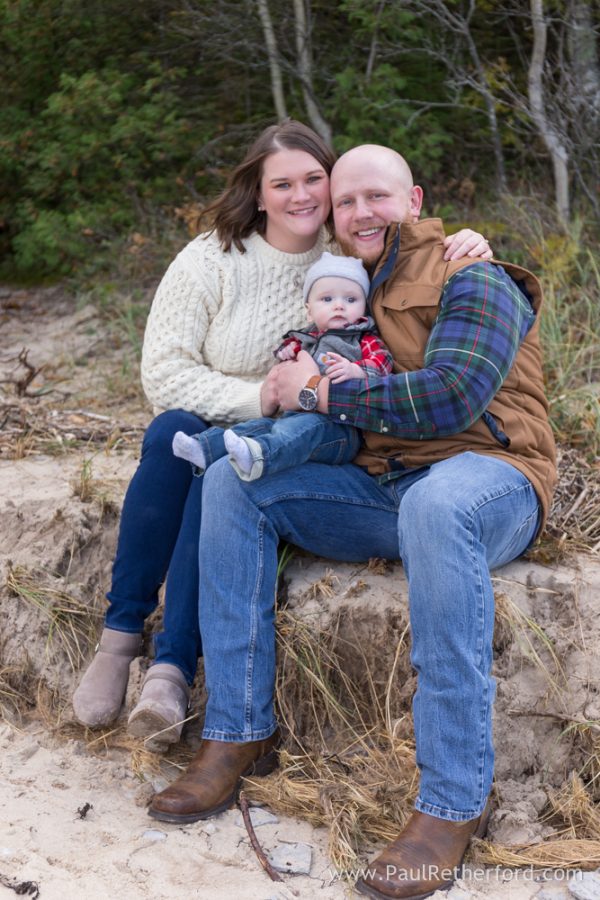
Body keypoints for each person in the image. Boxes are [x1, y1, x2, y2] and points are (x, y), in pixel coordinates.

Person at [148, 144, 556, 900]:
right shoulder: (348, 287)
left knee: (438, 503)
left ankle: (451, 802)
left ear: (414, 200)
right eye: (347, 202)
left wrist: (318, 394)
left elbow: (453, 395)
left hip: (491, 480)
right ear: (333, 217)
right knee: (235, 482)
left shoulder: (475, 275)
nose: (362, 212)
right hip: (387, 486)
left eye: (378, 196)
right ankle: (236, 735)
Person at [71, 120, 493, 749]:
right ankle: (120, 636)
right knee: (172, 434)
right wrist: (260, 398)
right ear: (259, 193)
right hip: (223, 414)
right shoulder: (210, 258)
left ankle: (170, 670)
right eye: (282, 184)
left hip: (300, 432)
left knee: (222, 474)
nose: (302, 196)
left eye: (314, 180)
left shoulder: (350, 253)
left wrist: (468, 239)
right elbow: (163, 372)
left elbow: (408, 241)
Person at [172, 251, 392, 482]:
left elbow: (383, 363)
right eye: (327, 299)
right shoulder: (304, 338)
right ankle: (206, 448)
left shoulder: (361, 338)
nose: (339, 306)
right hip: (292, 419)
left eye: (351, 300)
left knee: (303, 429)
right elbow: (285, 358)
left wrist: (357, 370)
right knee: (263, 426)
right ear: (309, 310)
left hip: (340, 430)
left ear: (364, 308)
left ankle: (260, 456)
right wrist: (286, 353)